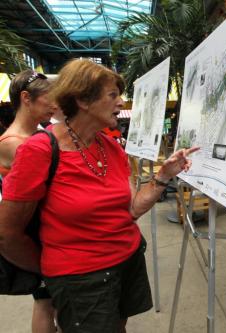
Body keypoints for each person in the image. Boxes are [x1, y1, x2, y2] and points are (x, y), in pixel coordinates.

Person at [0, 59, 198, 333]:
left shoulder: (111, 147)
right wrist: (52, 270)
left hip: (127, 260)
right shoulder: (39, 150)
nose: (121, 102)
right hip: (81, 278)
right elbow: (7, 235)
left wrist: (163, 176)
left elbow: (130, 209)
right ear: (82, 100)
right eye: (113, 95)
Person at [0, 69, 57, 333]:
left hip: (44, 228)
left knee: (48, 299)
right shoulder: (14, 143)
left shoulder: (39, 133)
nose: (55, 104)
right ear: (26, 98)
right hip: (34, 233)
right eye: (49, 98)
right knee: (46, 301)